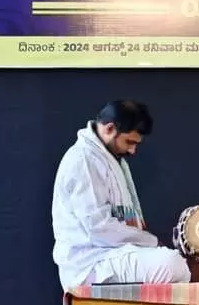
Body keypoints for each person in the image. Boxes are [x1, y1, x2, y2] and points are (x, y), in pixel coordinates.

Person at [52, 100, 190, 292]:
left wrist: (148, 245)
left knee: (176, 265)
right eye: (129, 142)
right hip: (90, 263)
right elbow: (99, 229)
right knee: (172, 264)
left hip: (113, 255)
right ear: (109, 129)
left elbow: (125, 218)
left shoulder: (112, 159)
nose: (133, 150)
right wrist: (152, 242)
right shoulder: (83, 159)